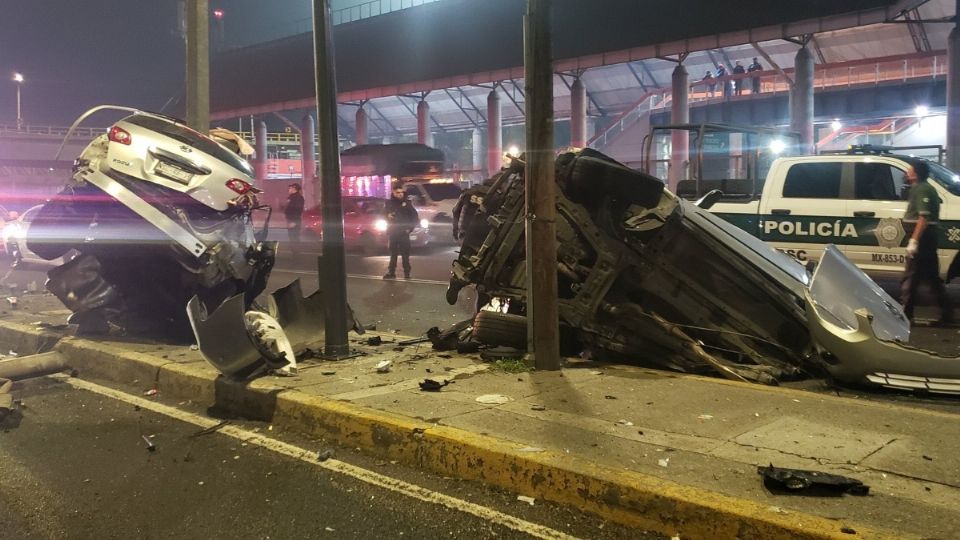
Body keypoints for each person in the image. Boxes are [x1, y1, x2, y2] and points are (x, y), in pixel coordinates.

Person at [900, 161, 953, 325]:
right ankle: (946, 314)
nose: (907, 171)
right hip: (926, 238)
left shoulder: (922, 189)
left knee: (911, 276)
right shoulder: (919, 187)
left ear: (916, 173)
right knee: (931, 278)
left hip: (923, 238)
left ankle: (906, 316)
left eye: (910, 169)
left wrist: (914, 241)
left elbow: (923, 218)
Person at [383, 183, 419, 279]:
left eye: (401, 192)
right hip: (393, 232)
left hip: (403, 233)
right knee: (393, 254)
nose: (400, 194)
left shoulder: (407, 203)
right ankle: (391, 272)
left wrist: (410, 229)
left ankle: (407, 273)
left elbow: (415, 218)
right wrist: (387, 216)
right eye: (397, 192)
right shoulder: (389, 203)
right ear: (393, 193)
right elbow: (383, 214)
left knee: (405, 255)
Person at [284, 183, 305, 253]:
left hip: (294, 220)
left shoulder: (298, 198)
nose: (289, 189)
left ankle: (296, 254)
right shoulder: (291, 197)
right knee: (292, 237)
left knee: (294, 237)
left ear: (294, 188)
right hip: (291, 220)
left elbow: (298, 210)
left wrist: (294, 222)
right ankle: (294, 252)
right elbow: (289, 208)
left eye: (290, 188)